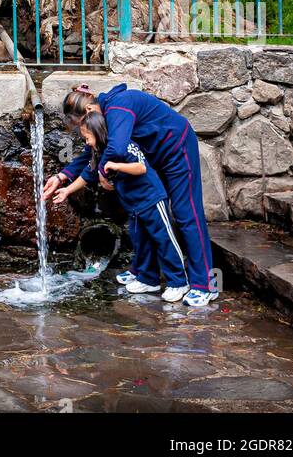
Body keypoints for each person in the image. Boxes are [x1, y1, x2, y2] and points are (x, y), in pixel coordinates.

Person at [43, 82, 216, 308]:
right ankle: (147, 274)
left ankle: (204, 284)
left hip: (176, 148)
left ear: (87, 111)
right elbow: (91, 155)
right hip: (154, 158)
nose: (81, 132)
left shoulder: (118, 107)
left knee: (186, 213)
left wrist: (103, 172)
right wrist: (61, 178)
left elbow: (117, 148)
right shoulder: (101, 118)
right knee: (143, 216)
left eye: (79, 126)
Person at [51, 111, 189, 303]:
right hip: (135, 206)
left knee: (164, 240)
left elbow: (141, 168)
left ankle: (179, 282)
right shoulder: (99, 153)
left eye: (87, 137)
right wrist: (66, 191)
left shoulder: (124, 146)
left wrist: (116, 166)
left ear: (98, 133)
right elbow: (87, 174)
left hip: (151, 199)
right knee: (141, 242)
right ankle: (148, 279)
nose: (86, 142)